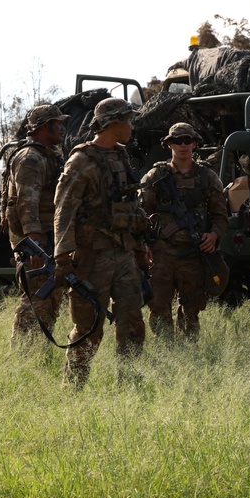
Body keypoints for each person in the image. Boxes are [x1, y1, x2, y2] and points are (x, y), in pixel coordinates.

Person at [53, 97, 148, 389]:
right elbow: (64, 209)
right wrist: (62, 257)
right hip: (92, 259)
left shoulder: (121, 157)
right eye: (128, 121)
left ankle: (128, 389)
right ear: (113, 124)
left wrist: (141, 244)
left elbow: (129, 202)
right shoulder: (82, 161)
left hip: (123, 253)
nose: (132, 126)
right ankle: (73, 390)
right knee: (89, 328)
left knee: (132, 324)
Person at [139, 122, 228, 338]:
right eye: (177, 141)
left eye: (188, 140)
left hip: (194, 254)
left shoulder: (208, 177)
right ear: (169, 144)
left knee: (191, 308)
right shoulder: (156, 176)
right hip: (162, 253)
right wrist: (143, 246)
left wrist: (214, 234)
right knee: (159, 305)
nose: (183, 145)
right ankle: (166, 351)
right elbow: (140, 214)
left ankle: (190, 353)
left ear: (195, 143)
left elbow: (221, 216)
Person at [5, 103, 69, 345]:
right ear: (45, 126)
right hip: (37, 242)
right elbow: (26, 203)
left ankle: (39, 352)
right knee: (36, 299)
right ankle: (22, 354)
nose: (62, 128)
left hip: (48, 238)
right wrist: (35, 244)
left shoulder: (49, 156)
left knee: (51, 298)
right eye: (58, 123)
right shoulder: (30, 158)